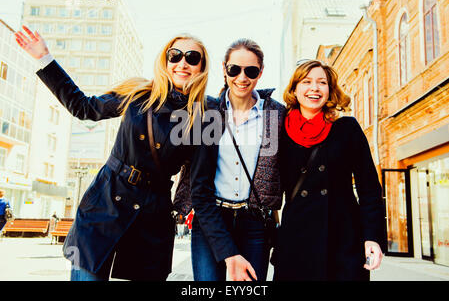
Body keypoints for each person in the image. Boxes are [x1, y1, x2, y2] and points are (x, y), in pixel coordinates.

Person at [14, 25, 210, 281]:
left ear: (201, 67)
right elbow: (84, 108)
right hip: (106, 202)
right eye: (175, 55)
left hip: (153, 215)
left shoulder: (204, 116)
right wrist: (45, 58)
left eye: (192, 58)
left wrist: (179, 210)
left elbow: (195, 175)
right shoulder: (138, 93)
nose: (182, 63)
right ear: (165, 60)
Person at [175, 38, 285, 281]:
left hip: (255, 222)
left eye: (251, 71)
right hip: (211, 219)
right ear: (224, 69)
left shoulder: (275, 114)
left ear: (261, 72)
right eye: (234, 69)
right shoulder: (205, 112)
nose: (242, 77)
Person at [273, 59, 387, 281]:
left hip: (343, 238)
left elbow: (369, 188)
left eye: (322, 82)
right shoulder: (279, 130)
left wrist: (372, 237)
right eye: (306, 81)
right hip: (296, 239)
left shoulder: (347, 128)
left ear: (330, 90)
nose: (314, 88)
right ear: (294, 89)